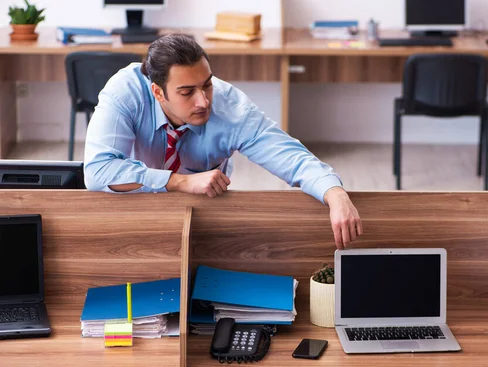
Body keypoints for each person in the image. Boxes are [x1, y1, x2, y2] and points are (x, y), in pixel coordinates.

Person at [84, 34, 362, 249]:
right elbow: (97, 172)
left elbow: (290, 157)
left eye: (207, 84)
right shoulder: (125, 93)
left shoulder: (232, 109)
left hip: (204, 213)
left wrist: (334, 193)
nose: (203, 101)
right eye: (187, 92)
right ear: (158, 92)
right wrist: (179, 181)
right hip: (132, 208)